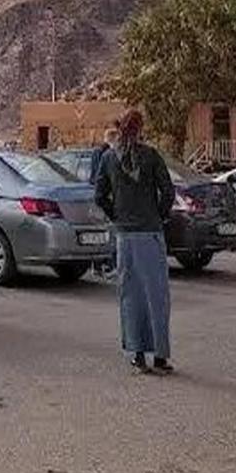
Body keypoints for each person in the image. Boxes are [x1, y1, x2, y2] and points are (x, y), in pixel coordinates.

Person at [94, 109, 176, 375]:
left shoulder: (108, 158)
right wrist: (158, 215)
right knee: (157, 296)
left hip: (125, 236)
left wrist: (116, 214)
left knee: (131, 296)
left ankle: (137, 354)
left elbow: (99, 195)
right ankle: (160, 356)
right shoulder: (150, 156)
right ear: (140, 129)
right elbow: (168, 191)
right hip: (150, 233)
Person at [90, 124, 121, 280]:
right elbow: (101, 177)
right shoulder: (106, 154)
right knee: (109, 233)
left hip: (101, 196)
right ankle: (108, 264)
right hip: (106, 197)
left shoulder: (98, 152)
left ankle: (99, 264)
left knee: (102, 232)